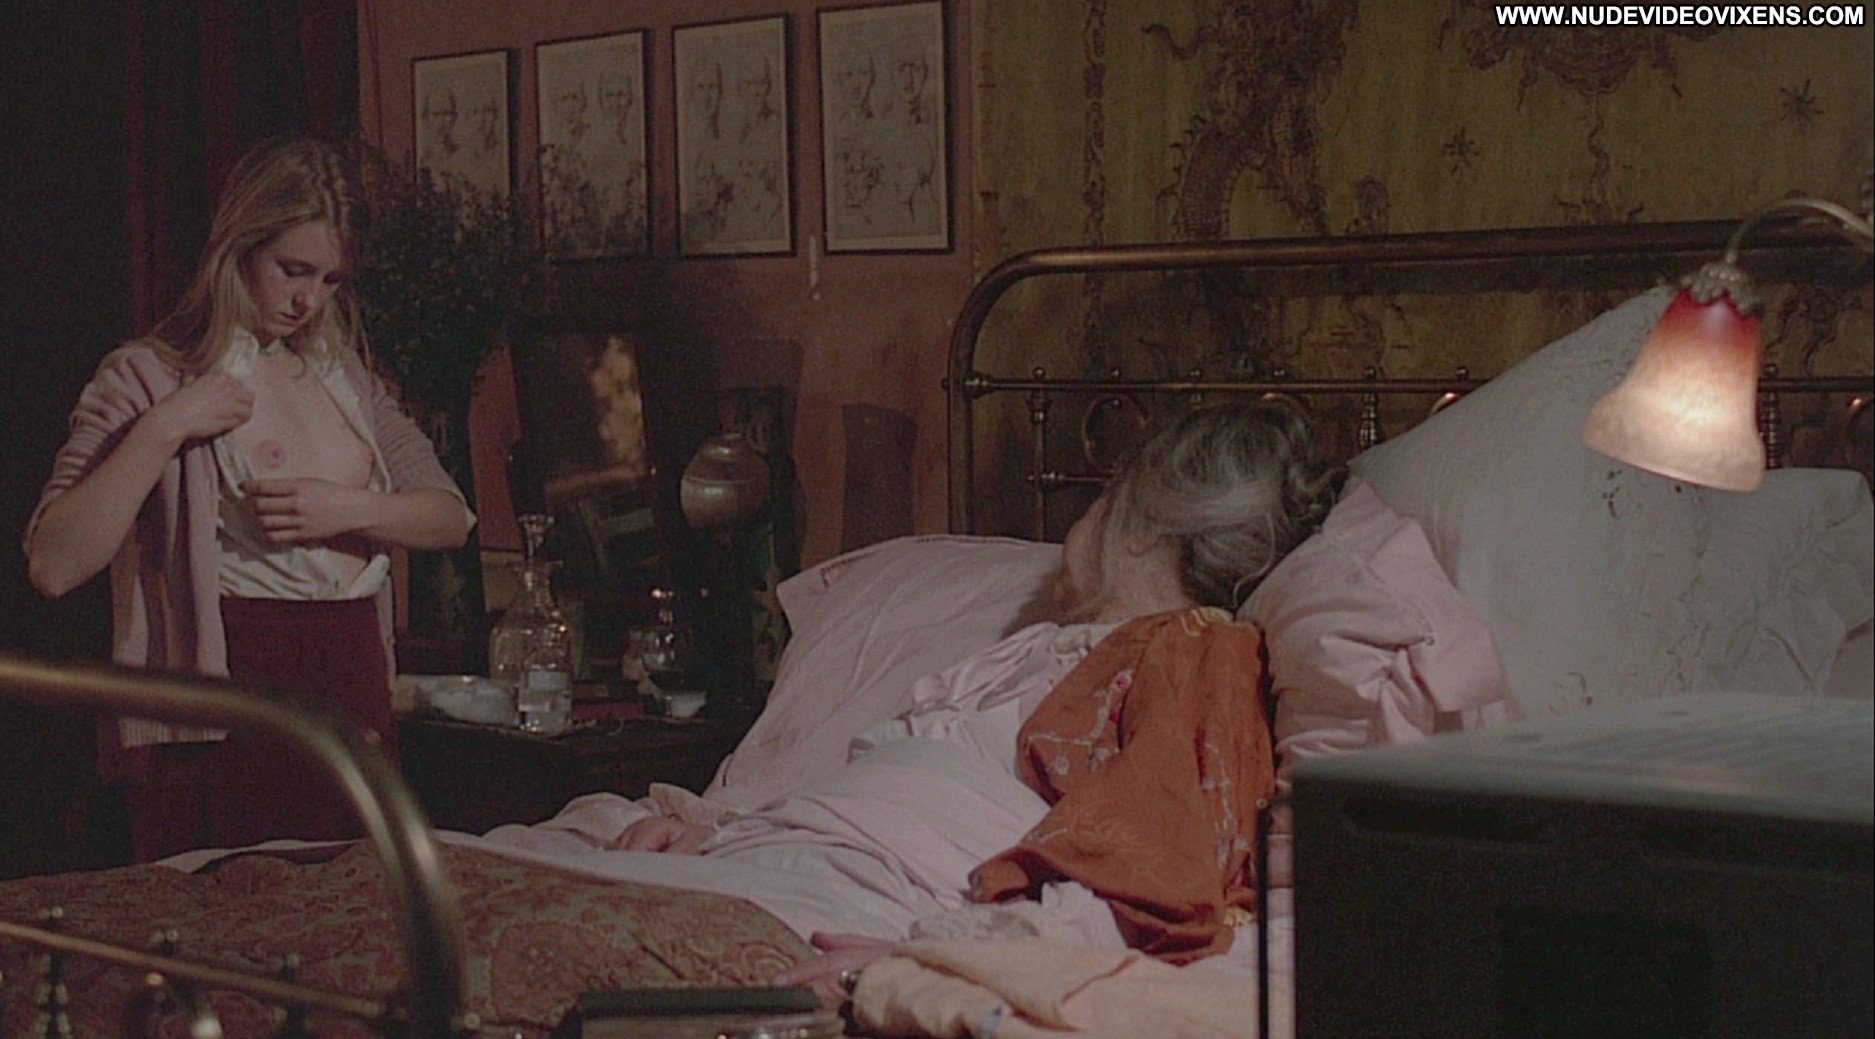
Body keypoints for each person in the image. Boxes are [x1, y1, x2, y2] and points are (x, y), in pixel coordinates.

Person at [604, 400, 1341, 1006]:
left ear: (1145, 526)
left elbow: (1154, 880)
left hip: (876, 901)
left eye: (1101, 499)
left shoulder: (1195, 653)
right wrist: (719, 833)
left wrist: (946, 961)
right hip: (775, 865)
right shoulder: (1030, 653)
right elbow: (865, 792)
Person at [25, 134, 475, 862]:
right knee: (224, 905)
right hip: (232, 698)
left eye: (330, 280)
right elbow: (54, 562)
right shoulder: (151, 375)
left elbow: (450, 516)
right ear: (238, 248)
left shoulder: (343, 377)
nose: (308, 299)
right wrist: (165, 426)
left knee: (351, 910)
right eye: (292, 270)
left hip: (352, 687)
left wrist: (347, 508)